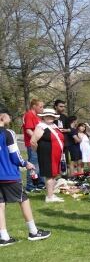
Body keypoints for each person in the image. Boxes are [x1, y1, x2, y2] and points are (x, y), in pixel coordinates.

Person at [0, 104, 51, 246]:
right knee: (23, 199)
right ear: (2, 117)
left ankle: (3, 237)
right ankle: (33, 231)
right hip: (9, 175)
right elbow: (15, 155)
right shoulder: (7, 133)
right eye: (8, 115)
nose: (10, 118)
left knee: (0, 204)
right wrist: (25, 163)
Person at [31, 108, 66, 203]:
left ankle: (51, 194)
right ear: (44, 117)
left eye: (51, 116)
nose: (50, 117)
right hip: (47, 154)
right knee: (49, 175)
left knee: (53, 175)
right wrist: (39, 152)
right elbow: (33, 141)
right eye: (48, 116)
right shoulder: (41, 126)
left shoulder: (54, 125)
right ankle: (49, 197)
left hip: (55, 154)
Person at [22, 99, 45, 192]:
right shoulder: (29, 115)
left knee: (39, 164)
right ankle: (30, 186)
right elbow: (28, 130)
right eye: (40, 106)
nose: (42, 109)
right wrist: (37, 138)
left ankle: (40, 184)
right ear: (34, 106)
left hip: (38, 144)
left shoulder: (38, 117)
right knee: (33, 165)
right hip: (32, 144)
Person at [54, 99, 78, 177]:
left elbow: (70, 128)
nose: (63, 108)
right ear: (55, 106)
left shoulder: (64, 117)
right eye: (61, 106)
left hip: (64, 143)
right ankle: (53, 177)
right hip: (54, 142)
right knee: (55, 161)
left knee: (64, 160)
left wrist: (67, 130)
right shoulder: (51, 117)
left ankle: (64, 177)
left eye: (64, 107)